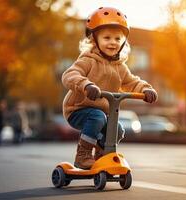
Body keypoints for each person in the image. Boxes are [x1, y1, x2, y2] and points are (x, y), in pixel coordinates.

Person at [61, 7, 158, 169]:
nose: (112, 42)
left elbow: (132, 82)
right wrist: (86, 85)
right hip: (77, 110)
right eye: (106, 37)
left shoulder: (119, 66)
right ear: (94, 40)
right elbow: (70, 75)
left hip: (102, 114)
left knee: (117, 129)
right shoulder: (88, 59)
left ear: (123, 43)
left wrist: (145, 89)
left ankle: (101, 155)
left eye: (117, 39)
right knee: (97, 117)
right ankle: (83, 154)